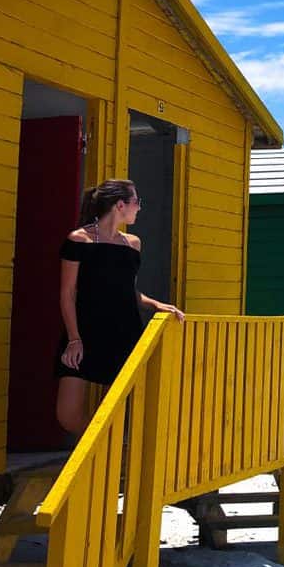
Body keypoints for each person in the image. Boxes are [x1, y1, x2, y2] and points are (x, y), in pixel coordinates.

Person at [55, 179, 184, 436]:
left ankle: (108, 466)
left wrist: (157, 304)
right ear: (120, 205)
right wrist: (73, 338)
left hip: (123, 333)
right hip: (84, 333)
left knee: (116, 411)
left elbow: (127, 291)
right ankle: (101, 449)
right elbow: (67, 293)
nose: (139, 208)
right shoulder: (79, 240)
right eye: (137, 202)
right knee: (67, 415)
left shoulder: (133, 244)